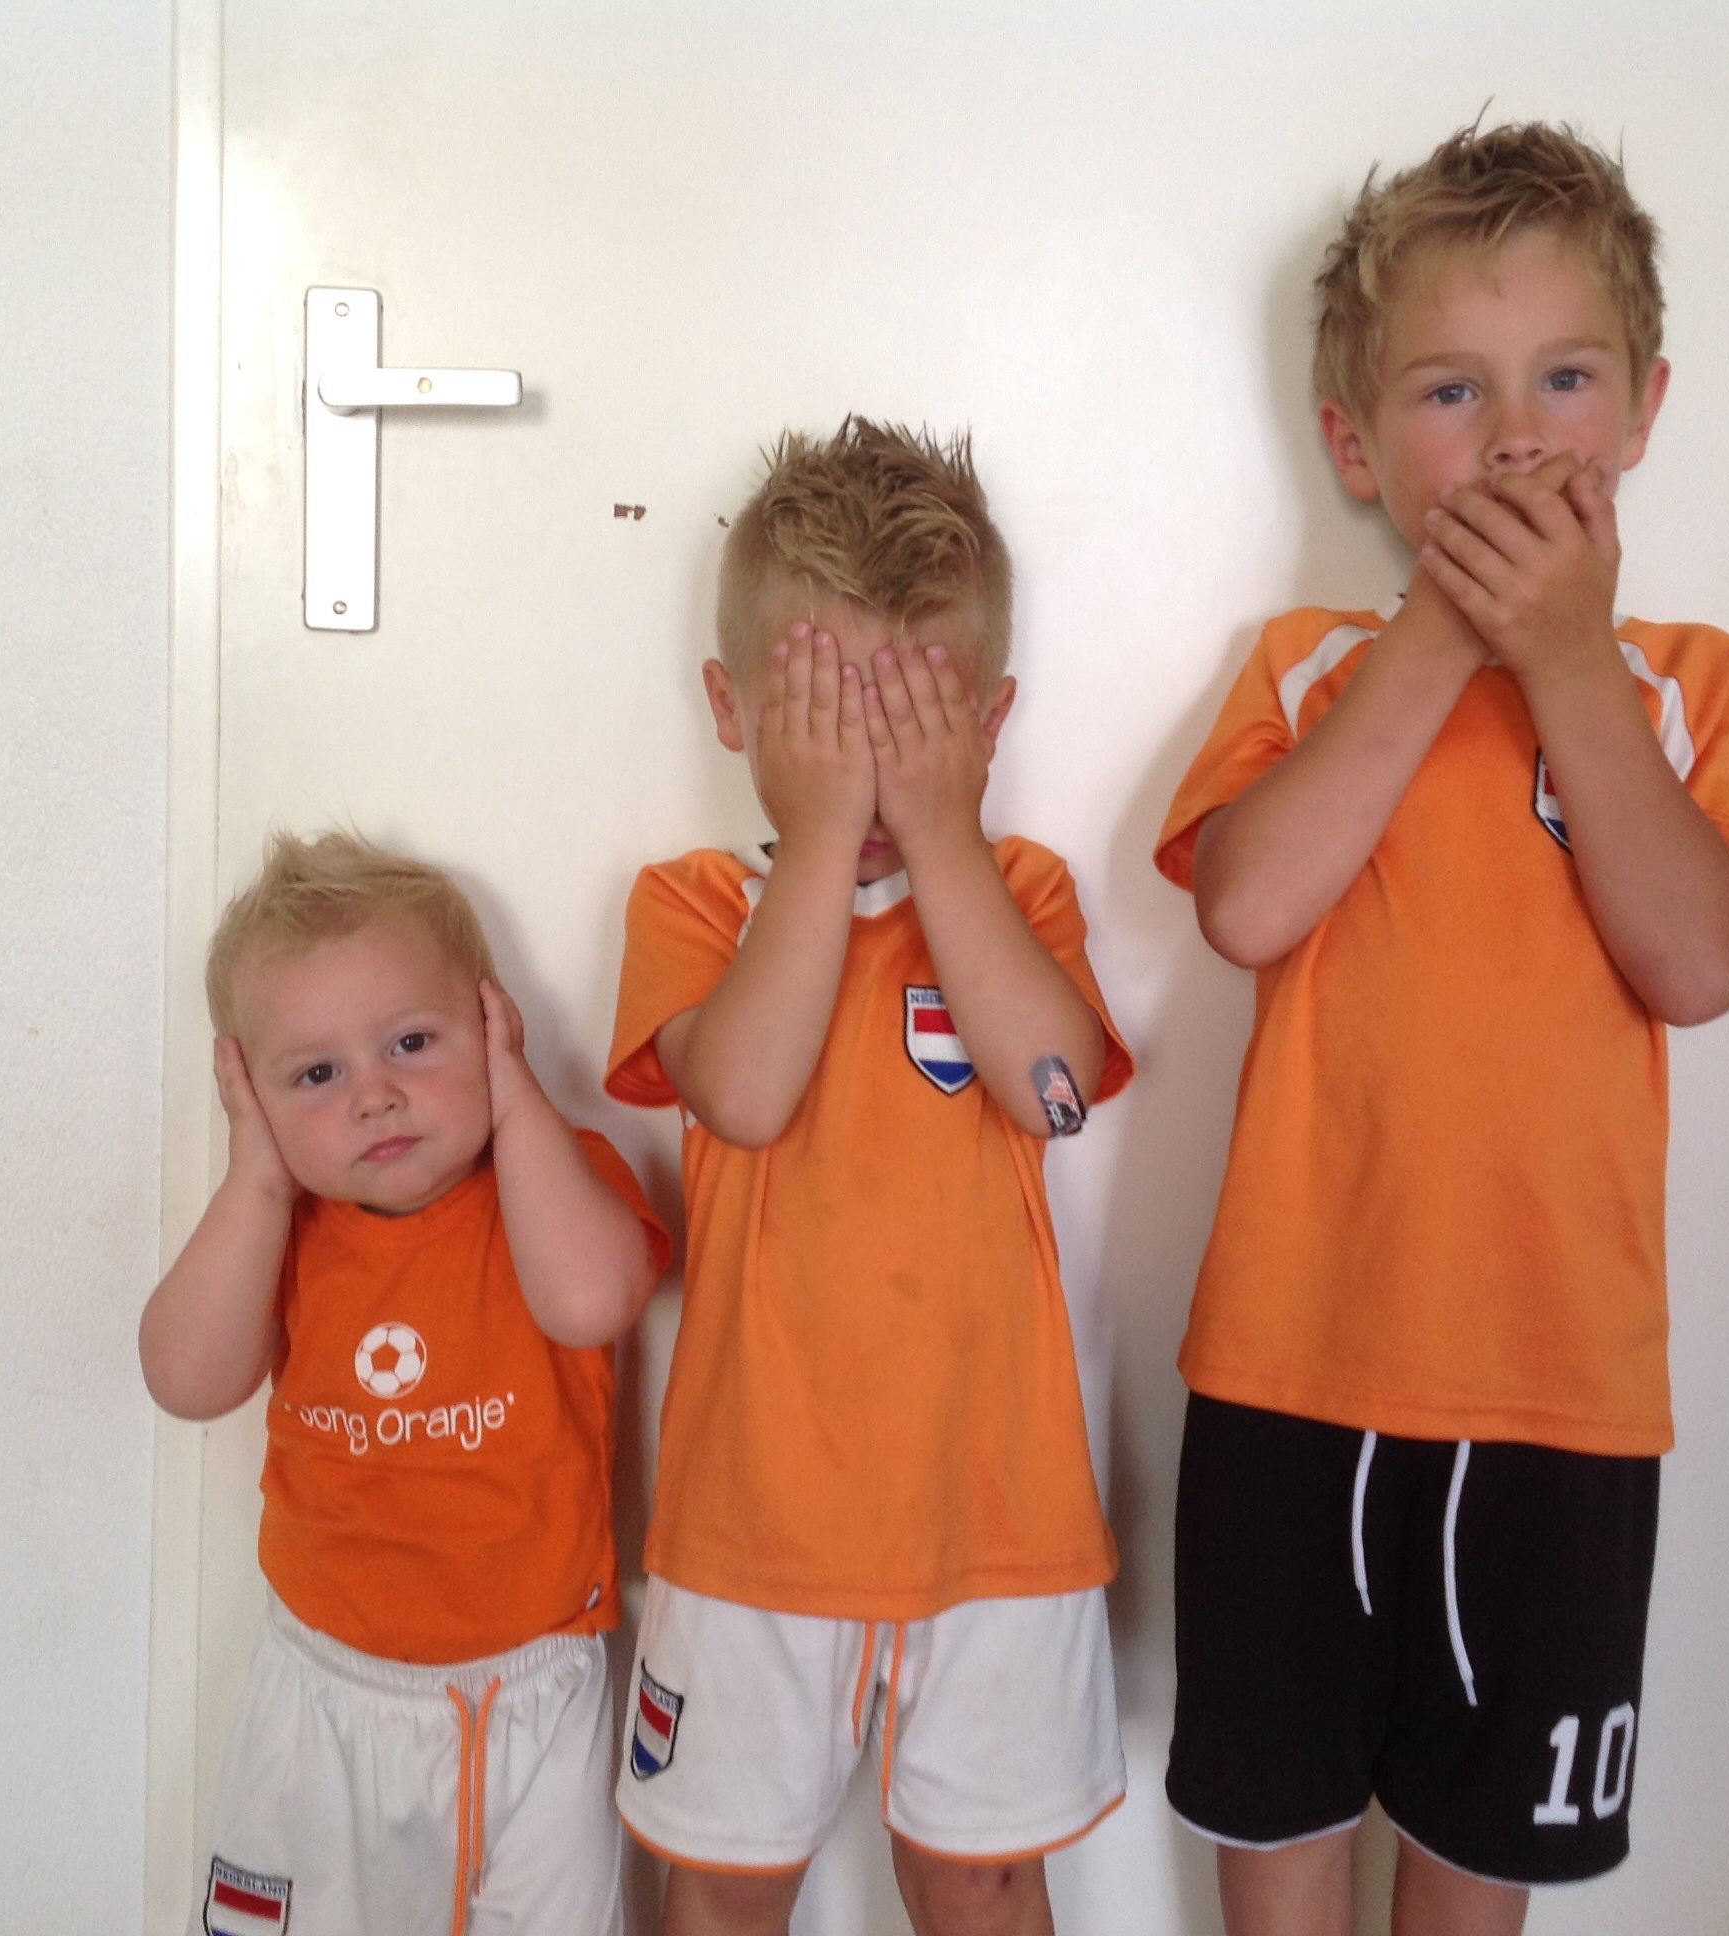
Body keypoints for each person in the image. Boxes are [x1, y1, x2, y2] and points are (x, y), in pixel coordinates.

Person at [1153, 122, 1729, 1935]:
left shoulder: (1682, 686)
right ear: (1357, 449)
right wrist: (1445, 639)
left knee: (1479, 1872)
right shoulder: (1309, 666)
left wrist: (1567, 660)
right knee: (1276, 1840)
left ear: (1645, 409)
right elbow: (1245, 907)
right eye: (1454, 391)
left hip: (1560, 1397)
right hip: (1291, 1371)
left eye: (1565, 380)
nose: (1518, 436)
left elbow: (1697, 965)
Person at [606, 418, 1136, 1936]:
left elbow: (1054, 1092)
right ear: (734, 711)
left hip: (998, 1521)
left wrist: (941, 835)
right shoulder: (696, 906)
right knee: (721, 1882)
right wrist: (828, 830)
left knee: (981, 1879)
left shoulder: (1018, 892)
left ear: (988, 720)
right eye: (827, 713)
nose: (870, 756)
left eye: (909, 715)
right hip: (751, 1523)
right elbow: (745, 1093)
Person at [140, 830, 670, 1936]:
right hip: (326, 1693)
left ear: (492, 1025)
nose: (375, 1097)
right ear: (253, 1094)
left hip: (536, 1686)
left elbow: (590, 1301)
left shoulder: (556, 1180)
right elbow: (186, 1379)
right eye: (316, 1075)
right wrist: (257, 1176)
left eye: (412, 1043)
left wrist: (517, 1103)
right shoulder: (286, 1226)